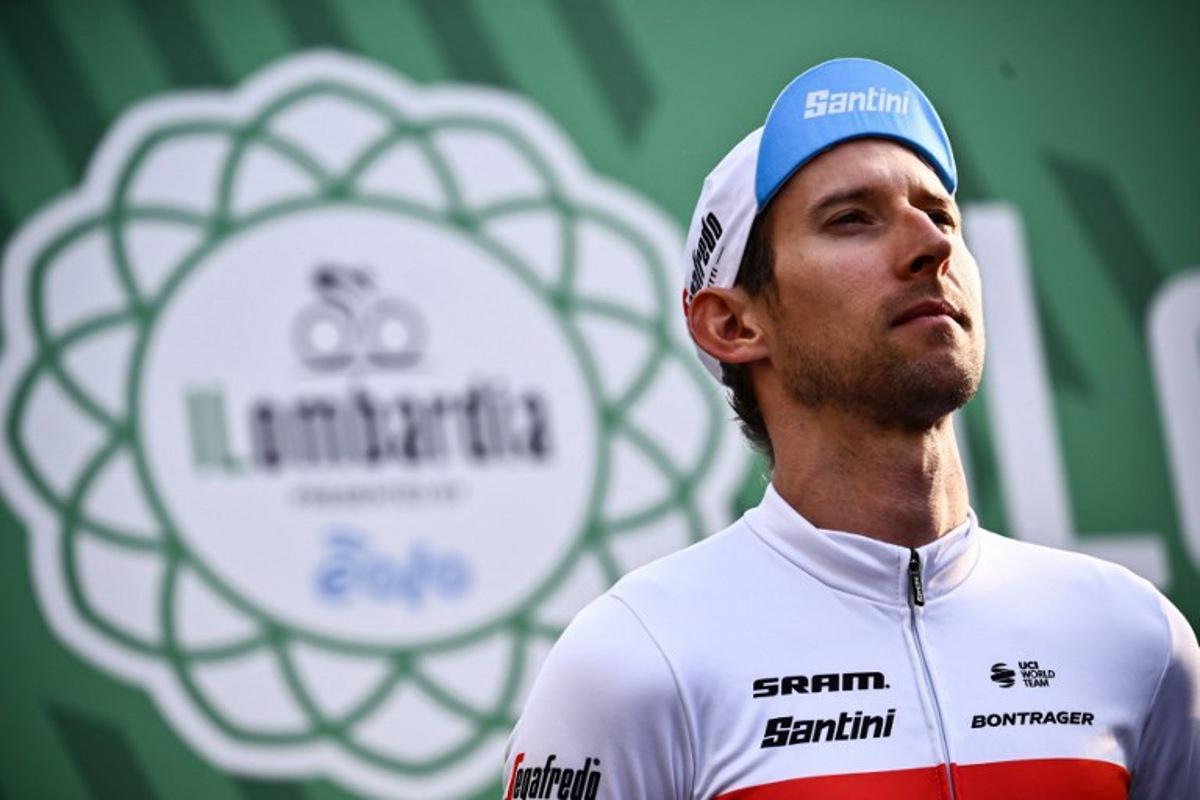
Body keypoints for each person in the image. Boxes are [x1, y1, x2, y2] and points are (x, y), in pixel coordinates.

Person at [503, 58, 1199, 799]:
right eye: (852, 219)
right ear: (733, 323)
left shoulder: (1136, 640)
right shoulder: (635, 660)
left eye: (941, 215)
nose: (931, 246)